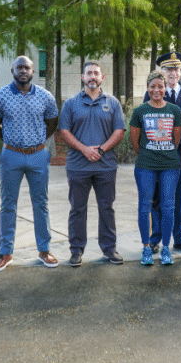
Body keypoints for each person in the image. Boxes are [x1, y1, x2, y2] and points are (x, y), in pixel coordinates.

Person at [0, 56, 59, 272]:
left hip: (38, 155)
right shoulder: (0, 96)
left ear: (33, 71)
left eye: (27, 67)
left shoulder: (46, 97)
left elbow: (52, 124)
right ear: (12, 70)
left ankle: (44, 250)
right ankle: (6, 252)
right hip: (11, 156)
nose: (23, 71)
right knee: (8, 203)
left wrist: (35, 142)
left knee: (41, 203)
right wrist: (13, 142)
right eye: (19, 67)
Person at [59, 61, 125, 267]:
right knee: (77, 209)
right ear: (82, 77)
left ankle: (109, 249)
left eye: (96, 73)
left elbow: (119, 131)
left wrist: (101, 149)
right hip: (78, 166)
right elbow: (64, 132)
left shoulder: (112, 103)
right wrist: (84, 149)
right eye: (89, 73)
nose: (92, 76)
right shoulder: (71, 103)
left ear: (102, 77)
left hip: (105, 166)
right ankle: (76, 250)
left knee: (107, 208)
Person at [130, 71, 181, 266]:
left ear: (164, 88)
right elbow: (134, 140)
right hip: (146, 166)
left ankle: (166, 248)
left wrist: (165, 151)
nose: (156, 90)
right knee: (145, 206)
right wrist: (145, 154)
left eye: (160, 86)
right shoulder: (140, 111)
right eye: (153, 86)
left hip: (170, 165)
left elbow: (175, 139)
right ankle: (146, 248)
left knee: (168, 206)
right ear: (148, 88)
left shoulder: (174, 110)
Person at [143, 52, 181, 253]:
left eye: (176, 69)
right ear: (162, 72)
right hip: (157, 152)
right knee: (157, 197)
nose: (173, 73)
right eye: (168, 69)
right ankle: (156, 238)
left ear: (180, 71)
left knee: (179, 196)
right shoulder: (153, 93)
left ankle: (180, 237)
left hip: (179, 153)